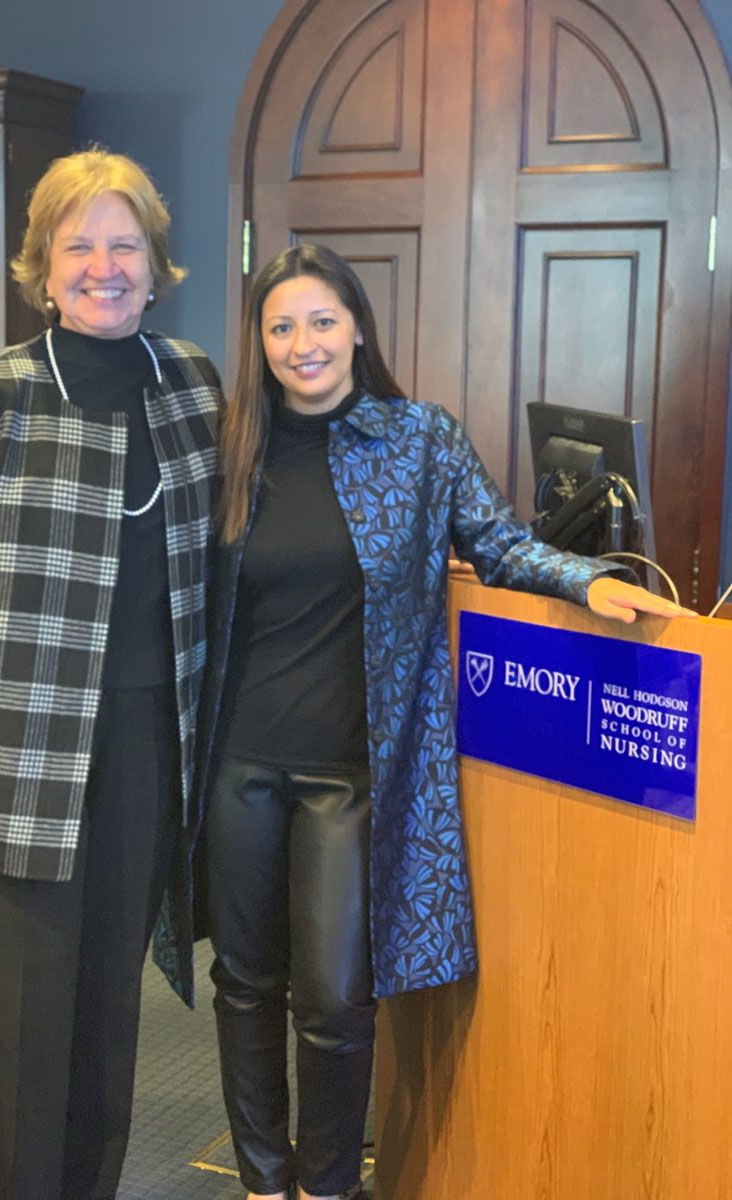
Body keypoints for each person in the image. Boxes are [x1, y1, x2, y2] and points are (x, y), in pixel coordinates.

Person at [198, 243, 694, 1200]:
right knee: (246, 985)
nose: (304, 344)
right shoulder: (232, 448)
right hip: (239, 766)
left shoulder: (419, 441)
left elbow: (502, 543)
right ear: (260, 343)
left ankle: (328, 1186)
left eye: (322, 321)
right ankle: (262, 1183)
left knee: (338, 1000)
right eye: (282, 326)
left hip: (352, 774)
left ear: (358, 328)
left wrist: (586, 576)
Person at [0, 148, 222, 1200]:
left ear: (156, 261)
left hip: (146, 751)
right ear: (43, 266)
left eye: (124, 244)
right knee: (16, 1019)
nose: (103, 265)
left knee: (104, 1012)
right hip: (13, 754)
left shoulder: (194, 387)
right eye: (78, 245)